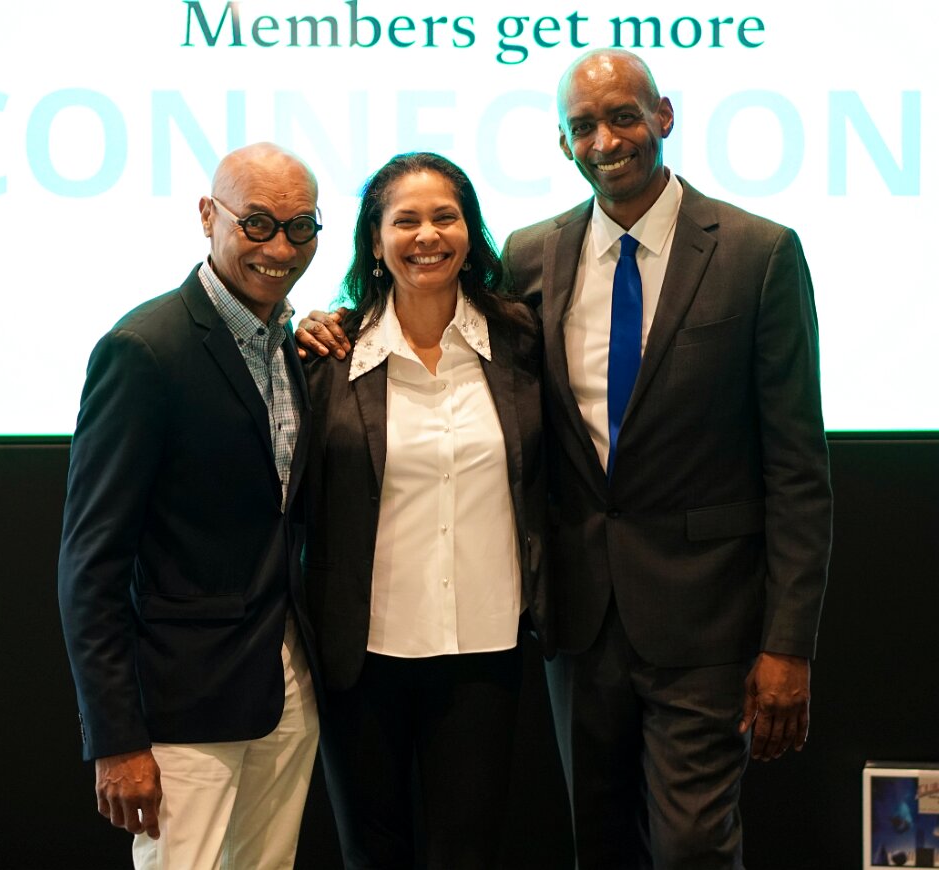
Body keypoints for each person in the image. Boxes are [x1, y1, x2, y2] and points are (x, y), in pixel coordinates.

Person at [298, 51, 832, 869]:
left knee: (692, 845)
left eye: (623, 116)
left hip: (705, 618)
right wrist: (327, 320)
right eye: (584, 126)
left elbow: (797, 470)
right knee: (600, 844)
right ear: (563, 143)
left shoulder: (758, 253)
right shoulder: (533, 256)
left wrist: (788, 644)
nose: (606, 140)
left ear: (664, 115)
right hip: (578, 623)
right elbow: (433, 316)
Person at [57, 142, 322, 870]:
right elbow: (90, 564)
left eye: (300, 227)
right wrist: (116, 737)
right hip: (182, 703)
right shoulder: (145, 349)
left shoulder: (288, 343)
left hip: (287, 687)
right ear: (209, 216)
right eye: (258, 223)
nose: (280, 247)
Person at [302, 152, 550, 869]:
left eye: (446, 216)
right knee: (372, 852)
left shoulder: (521, 342)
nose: (427, 235)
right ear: (375, 242)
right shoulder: (330, 355)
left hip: (483, 648)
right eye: (404, 221)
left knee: (466, 853)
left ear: (470, 231)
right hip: (363, 653)